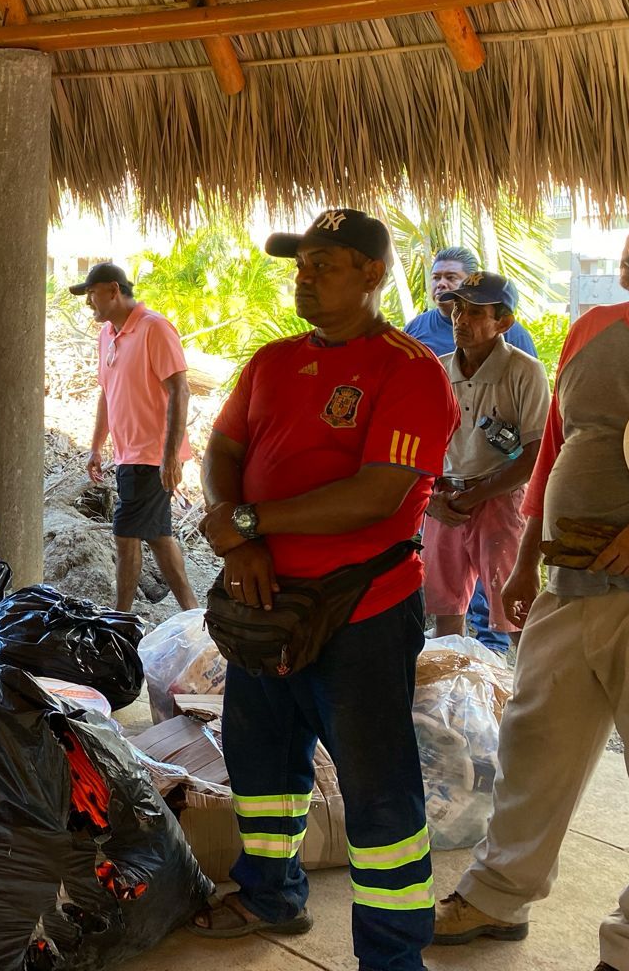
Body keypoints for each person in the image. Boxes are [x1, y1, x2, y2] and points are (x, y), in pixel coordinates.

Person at [433, 176, 629, 971]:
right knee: (535, 741)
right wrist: (526, 561)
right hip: (572, 577)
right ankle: (497, 896)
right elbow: (554, 450)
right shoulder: (591, 326)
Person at [193, 208, 458, 971]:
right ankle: (270, 891)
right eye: (302, 263)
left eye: (327, 263)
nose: (306, 276)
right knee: (262, 760)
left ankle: (392, 953)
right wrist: (239, 537)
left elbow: (379, 495)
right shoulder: (273, 361)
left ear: (374, 274)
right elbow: (224, 446)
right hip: (263, 599)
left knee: (378, 789)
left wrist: (247, 517)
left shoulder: (409, 369)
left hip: (362, 608)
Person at [421, 273, 549, 642]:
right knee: (445, 614)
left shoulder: (524, 371)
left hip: (498, 500)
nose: (461, 319)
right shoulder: (438, 370)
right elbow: (419, 446)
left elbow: (533, 457)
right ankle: (454, 693)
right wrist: (432, 499)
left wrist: (471, 498)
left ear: (503, 322)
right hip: (445, 498)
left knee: (514, 613)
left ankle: (526, 695)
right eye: (458, 309)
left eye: (476, 312)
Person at [75, 262, 199, 611]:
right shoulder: (107, 335)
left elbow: (180, 390)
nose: (89, 303)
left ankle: (120, 619)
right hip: (128, 453)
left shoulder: (154, 328)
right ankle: (194, 615)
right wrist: (97, 446)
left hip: (152, 454)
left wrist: (171, 456)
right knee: (158, 537)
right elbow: (107, 393)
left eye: (92, 293)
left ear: (113, 290)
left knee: (125, 533)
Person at [404, 245, 538, 360]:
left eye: (451, 277)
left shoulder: (511, 333)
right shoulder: (414, 329)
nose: (441, 284)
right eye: (436, 277)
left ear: (471, 282)